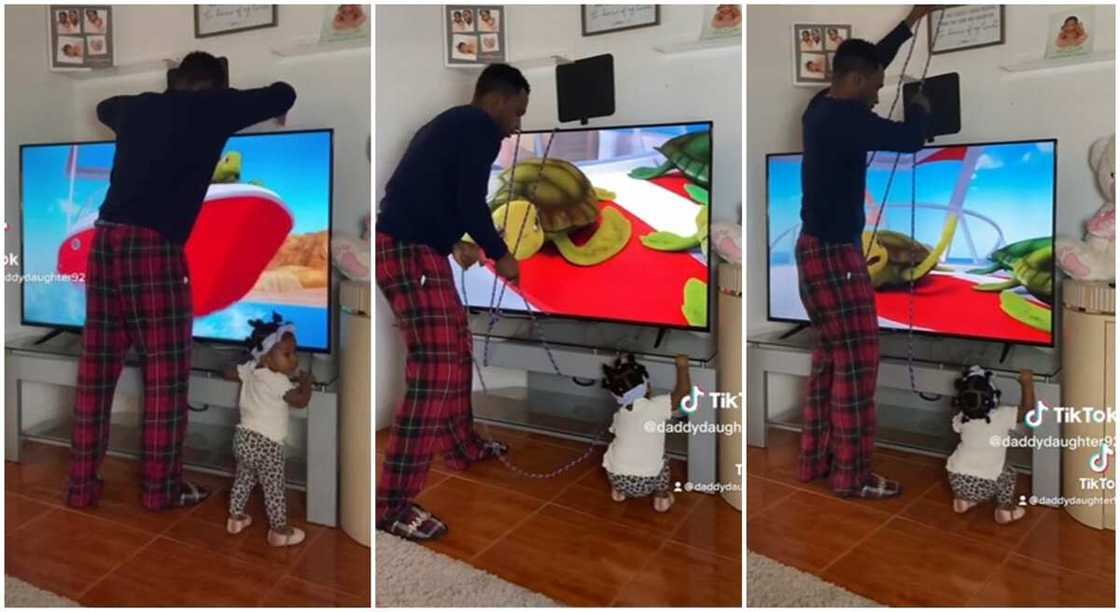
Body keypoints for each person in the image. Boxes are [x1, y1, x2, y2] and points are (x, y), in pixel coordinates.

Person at [65, 51, 296, 512]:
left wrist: (150, 103)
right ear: (216, 85)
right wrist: (236, 101)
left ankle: (81, 487)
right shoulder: (216, 107)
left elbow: (104, 107)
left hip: (105, 243)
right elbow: (284, 93)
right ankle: (159, 490)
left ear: (175, 81)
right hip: (154, 250)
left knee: (95, 375)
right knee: (165, 381)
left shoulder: (135, 108)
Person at [375, 63, 527, 541]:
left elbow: (425, 192)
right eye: (517, 112)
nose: (517, 125)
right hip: (406, 252)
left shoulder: (450, 123)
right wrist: (499, 253)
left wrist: (452, 242)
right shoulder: (479, 128)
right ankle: (391, 503)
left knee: (455, 346)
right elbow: (469, 201)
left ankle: (462, 446)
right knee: (437, 365)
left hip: (413, 247)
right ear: (498, 100)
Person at [795, 6, 932, 500]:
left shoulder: (820, 107)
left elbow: (873, 62)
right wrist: (919, 100)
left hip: (812, 251)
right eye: (875, 85)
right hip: (836, 257)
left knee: (831, 361)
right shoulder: (848, 121)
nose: (879, 93)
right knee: (858, 368)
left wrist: (913, 19)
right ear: (855, 80)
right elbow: (912, 140)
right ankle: (852, 478)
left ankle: (817, 462)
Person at [223, 315, 313, 546]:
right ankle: (279, 530)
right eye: (287, 354)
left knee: (243, 479)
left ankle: (236, 518)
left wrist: (247, 360)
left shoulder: (250, 369)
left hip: (243, 439)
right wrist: (307, 382)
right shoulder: (278, 381)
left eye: (294, 353)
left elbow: (228, 373)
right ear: (265, 353)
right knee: (274, 488)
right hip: (267, 445)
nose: (294, 360)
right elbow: (301, 401)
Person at [601, 354, 692, 513]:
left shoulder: (620, 414)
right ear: (647, 386)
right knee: (662, 461)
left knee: (617, 449)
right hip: (648, 482)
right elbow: (683, 392)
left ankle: (619, 492)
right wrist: (682, 366)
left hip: (617, 478)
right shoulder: (657, 406)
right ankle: (661, 498)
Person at [946, 367, 1031, 525]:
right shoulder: (1003, 415)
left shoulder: (962, 418)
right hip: (987, 485)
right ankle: (1005, 510)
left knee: (967, 464)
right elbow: (1028, 411)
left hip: (956, 479)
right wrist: (1026, 382)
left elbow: (957, 426)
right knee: (1009, 472)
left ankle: (963, 500)